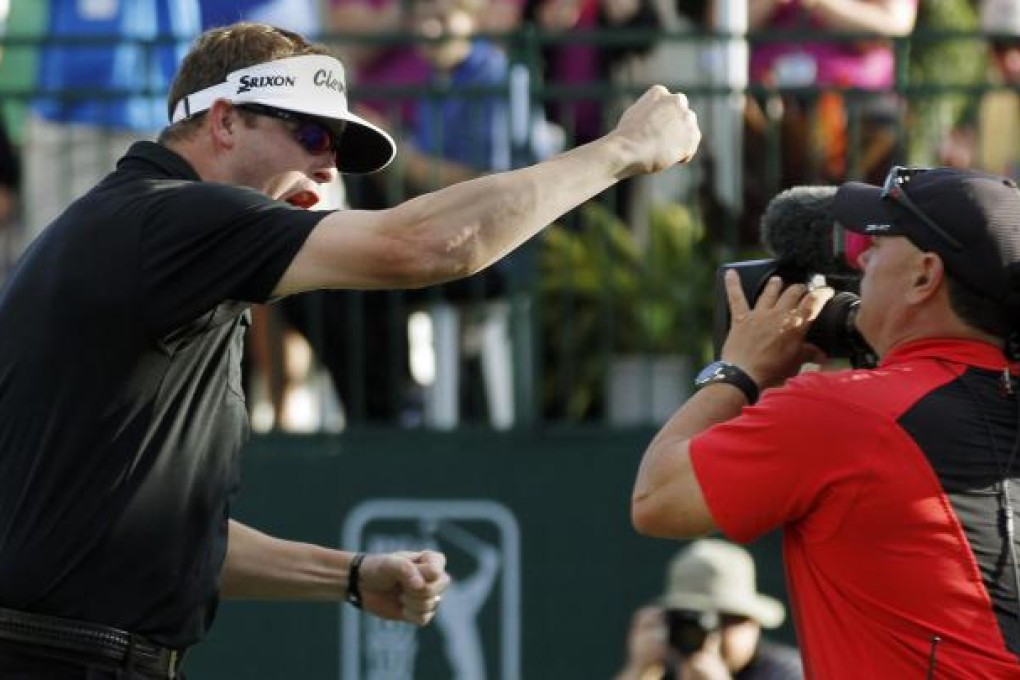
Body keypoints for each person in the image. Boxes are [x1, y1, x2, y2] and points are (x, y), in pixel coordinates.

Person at [0, 19, 701, 679]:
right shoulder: (173, 218)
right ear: (224, 121)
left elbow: (153, 535)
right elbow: (424, 245)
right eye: (310, 133)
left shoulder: (149, 240)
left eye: (337, 147)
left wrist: (350, 577)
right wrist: (619, 152)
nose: (329, 165)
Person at [631, 166, 1020, 676]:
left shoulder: (847, 415)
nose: (859, 261)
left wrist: (742, 369)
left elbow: (658, 499)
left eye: (877, 244)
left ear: (925, 275)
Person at [615, 539, 802, 680]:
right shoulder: (663, 668)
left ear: (754, 625)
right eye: (692, 621)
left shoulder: (788, 673)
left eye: (726, 620)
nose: (709, 636)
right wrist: (637, 671)